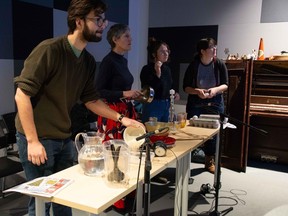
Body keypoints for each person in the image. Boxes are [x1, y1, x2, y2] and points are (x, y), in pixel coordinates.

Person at [14, 1, 143, 215]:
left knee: (65, 199)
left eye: (104, 19)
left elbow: (91, 100)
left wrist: (122, 119)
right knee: (40, 204)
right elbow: (22, 95)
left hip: (64, 137)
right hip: (38, 139)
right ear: (79, 21)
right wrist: (32, 141)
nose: (103, 24)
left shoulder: (88, 61)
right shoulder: (50, 50)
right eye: (97, 19)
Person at [183, 38, 228, 174]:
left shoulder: (219, 64)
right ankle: (186, 163)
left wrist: (215, 90)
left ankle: (209, 161)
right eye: (211, 48)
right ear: (202, 51)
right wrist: (197, 91)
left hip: (215, 102)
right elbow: (186, 87)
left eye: (215, 47)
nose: (215, 50)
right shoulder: (194, 65)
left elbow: (226, 84)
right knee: (192, 131)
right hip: (196, 102)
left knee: (213, 133)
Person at [95, 23, 142, 141]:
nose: (130, 39)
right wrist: (124, 93)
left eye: (130, 36)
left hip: (125, 110)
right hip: (112, 113)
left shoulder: (123, 61)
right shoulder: (108, 61)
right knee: (114, 151)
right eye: (126, 36)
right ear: (115, 39)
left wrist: (132, 95)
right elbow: (99, 91)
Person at [140, 37, 179, 123]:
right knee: (152, 132)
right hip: (153, 104)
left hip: (166, 104)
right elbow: (149, 89)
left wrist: (175, 93)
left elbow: (170, 85)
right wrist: (158, 73)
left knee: (164, 131)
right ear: (154, 54)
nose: (166, 54)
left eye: (167, 51)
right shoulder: (147, 69)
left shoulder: (167, 69)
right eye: (162, 51)